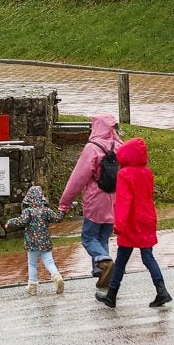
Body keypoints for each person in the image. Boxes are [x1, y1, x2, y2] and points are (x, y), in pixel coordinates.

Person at [95, 136, 173, 309]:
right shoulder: (147, 173)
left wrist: (119, 225)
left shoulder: (124, 174)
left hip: (131, 222)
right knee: (147, 256)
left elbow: (124, 201)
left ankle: (112, 295)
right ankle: (162, 291)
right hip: (147, 219)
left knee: (122, 259)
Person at [59, 114, 123, 290]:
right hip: (114, 201)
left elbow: (78, 179)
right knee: (102, 238)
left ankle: (104, 262)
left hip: (96, 201)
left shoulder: (92, 148)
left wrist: (64, 204)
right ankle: (103, 274)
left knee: (88, 238)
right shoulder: (120, 146)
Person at [4, 183, 64, 295]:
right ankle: (56, 276)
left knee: (32, 264)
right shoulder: (46, 210)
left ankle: (32, 286)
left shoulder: (28, 211)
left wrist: (10, 222)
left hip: (32, 244)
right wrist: (64, 210)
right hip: (45, 242)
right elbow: (58, 218)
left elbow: (21, 221)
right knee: (49, 262)